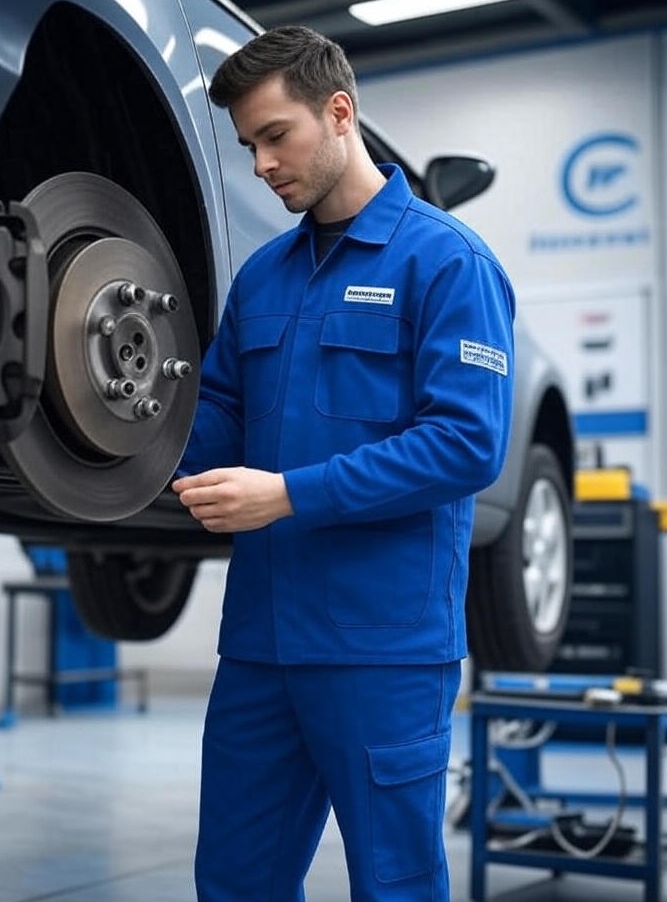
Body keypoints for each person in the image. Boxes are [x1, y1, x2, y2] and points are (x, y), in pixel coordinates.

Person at [172, 24, 515, 902]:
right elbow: (218, 415)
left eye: (274, 136)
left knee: (394, 886)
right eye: (248, 146)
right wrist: (120, 433)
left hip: (383, 651)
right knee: (234, 882)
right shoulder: (263, 277)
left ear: (337, 112)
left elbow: (465, 444)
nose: (261, 165)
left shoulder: (447, 262)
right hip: (260, 647)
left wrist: (287, 496)